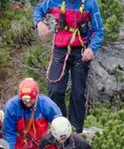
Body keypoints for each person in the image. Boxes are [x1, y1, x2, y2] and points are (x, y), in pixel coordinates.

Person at [33, 0, 104, 133]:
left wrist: (92, 49)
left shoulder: (90, 3)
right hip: (60, 49)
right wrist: (39, 22)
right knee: (55, 90)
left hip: (81, 50)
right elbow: (38, 10)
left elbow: (99, 30)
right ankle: (59, 126)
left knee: (78, 93)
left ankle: (75, 131)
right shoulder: (54, 1)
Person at [3, 78, 62, 149]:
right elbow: (9, 133)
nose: (27, 104)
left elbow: (59, 126)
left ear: (36, 96)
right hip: (18, 145)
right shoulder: (11, 107)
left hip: (39, 145)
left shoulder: (47, 105)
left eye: (31, 101)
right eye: (24, 101)